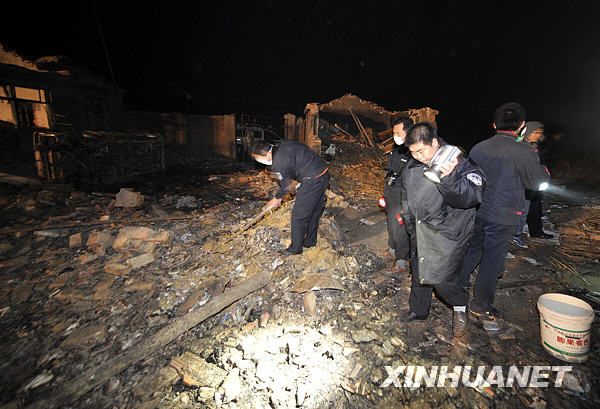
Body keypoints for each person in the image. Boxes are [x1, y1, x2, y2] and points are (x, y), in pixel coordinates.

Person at [460, 103, 550, 321]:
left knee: (473, 249)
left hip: (477, 208)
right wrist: (544, 172)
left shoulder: (478, 148)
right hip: (503, 214)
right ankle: (481, 305)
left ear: (494, 125)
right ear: (521, 125)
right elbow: (535, 183)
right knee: (492, 259)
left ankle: (458, 283)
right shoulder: (524, 150)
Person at [400, 123, 485, 338]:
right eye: (413, 152)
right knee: (419, 271)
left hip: (449, 233)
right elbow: (406, 195)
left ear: (435, 143)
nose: (417, 156)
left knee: (441, 279)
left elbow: (471, 197)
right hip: (421, 228)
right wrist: (410, 222)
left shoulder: (459, 163)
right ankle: (419, 310)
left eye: (421, 151)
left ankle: (460, 305)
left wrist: (449, 179)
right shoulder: (413, 165)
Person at [251, 140, 330, 255]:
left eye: (258, 158)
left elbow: (287, 186)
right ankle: (310, 242)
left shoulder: (278, 163)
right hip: (323, 173)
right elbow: (295, 166)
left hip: (312, 180)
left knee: (298, 216)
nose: (259, 161)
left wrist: (277, 198)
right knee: (313, 212)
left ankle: (295, 249)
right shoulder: (284, 145)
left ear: (267, 154)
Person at [381, 117, 414, 274]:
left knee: (399, 226)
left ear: (408, 132)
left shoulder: (413, 151)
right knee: (391, 222)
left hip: (402, 192)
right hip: (391, 189)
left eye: (398, 133)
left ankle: (401, 262)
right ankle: (392, 249)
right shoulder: (398, 146)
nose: (395, 136)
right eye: (394, 133)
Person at [511, 121, 552, 246]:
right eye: (535, 132)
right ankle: (514, 234)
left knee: (529, 208)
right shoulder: (518, 144)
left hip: (533, 183)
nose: (538, 135)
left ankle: (525, 232)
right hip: (519, 183)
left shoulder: (536, 146)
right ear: (527, 131)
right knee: (520, 209)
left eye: (540, 133)